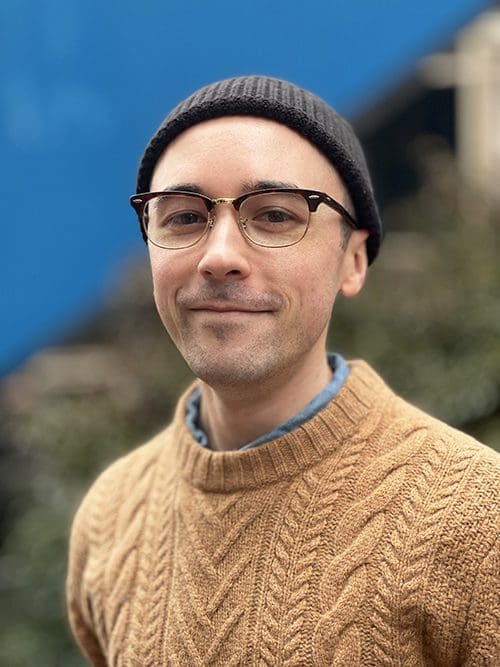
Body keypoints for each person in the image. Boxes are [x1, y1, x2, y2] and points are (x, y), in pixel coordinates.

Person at [67, 76, 499, 666]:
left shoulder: (475, 519)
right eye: (184, 218)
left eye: (273, 215)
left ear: (352, 261)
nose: (219, 255)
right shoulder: (112, 514)